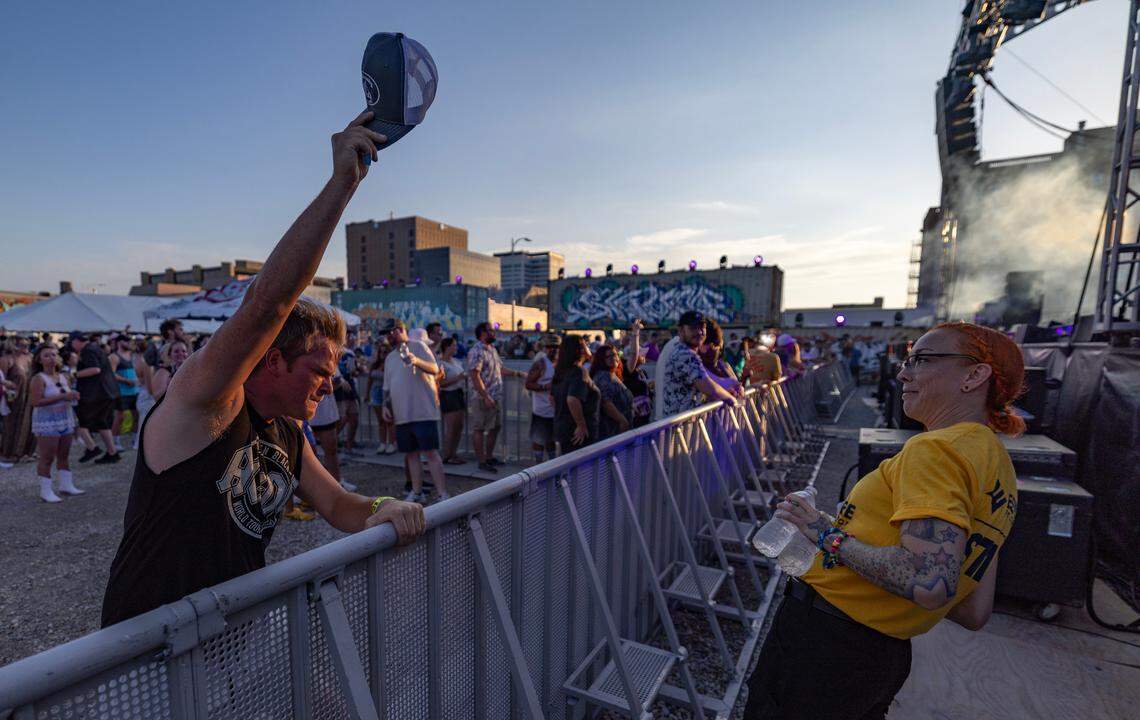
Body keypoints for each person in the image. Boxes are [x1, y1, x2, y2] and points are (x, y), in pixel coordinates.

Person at [101, 111, 424, 628]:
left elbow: (338, 504)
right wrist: (343, 184)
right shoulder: (208, 402)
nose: (330, 385)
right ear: (273, 360)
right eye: (319, 371)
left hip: (229, 634)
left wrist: (384, 505)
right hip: (148, 641)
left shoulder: (287, 432)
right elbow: (267, 304)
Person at [744, 322, 1024, 719]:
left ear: (975, 375)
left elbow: (928, 581)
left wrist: (826, 535)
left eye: (921, 360)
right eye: (907, 360)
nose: (903, 373)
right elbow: (972, 610)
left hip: (825, 649)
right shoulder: (997, 465)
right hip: (879, 655)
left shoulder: (936, 450)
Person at [380, 318, 450, 502]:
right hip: (402, 414)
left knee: (431, 453)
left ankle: (443, 494)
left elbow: (435, 369)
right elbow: (387, 387)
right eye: (386, 334)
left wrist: (416, 360)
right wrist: (385, 406)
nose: (388, 337)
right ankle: (417, 492)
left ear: (400, 330)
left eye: (390, 332)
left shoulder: (418, 346)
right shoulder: (389, 358)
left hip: (423, 412)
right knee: (411, 455)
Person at [655, 311, 739, 419]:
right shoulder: (685, 355)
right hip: (678, 424)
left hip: (681, 422)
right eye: (693, 328)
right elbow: (709, 387)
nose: (699, 332)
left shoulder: (685, 351)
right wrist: (732, 400)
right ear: (681, 330)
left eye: (702, 327)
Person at [466, 321, 525, 473]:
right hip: (482, 397)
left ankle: (489, 457)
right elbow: (474, 375)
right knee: (479, 428)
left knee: (495, 427)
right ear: (483, 333)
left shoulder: (492, 349)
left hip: (495, 396)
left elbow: (499, 369)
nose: (494, 333)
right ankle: (481, 461)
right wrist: (485, 396)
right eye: (491, 330)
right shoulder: (477, 351)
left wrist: (517, 373)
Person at [28, 344, 84, 502]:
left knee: (64, 455)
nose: (51, 358)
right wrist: (63, 397)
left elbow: (66, 395)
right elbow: (36, 402)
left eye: (54, 354)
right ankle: (45, 491)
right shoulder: (38, 378)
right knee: (47, 457)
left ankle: (66, 485)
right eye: (46, 355)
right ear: (39, 360)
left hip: (65, 418)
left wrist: (73, 396)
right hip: (47, 421)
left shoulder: (63, 376)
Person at [71, 331, 122, 464]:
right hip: (106, 392)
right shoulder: (95, 348)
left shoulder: (87, 350)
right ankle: (112, 452)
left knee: (82, 420)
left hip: (97, 393)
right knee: (101, 423)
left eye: (72, 342)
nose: (72, 346)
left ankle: (92, 448)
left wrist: (74, 375)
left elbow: (95, 369)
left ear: (76, 341)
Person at [552, 335, 599, 453]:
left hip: (564, 428)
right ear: (579, 350)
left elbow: (551, 398)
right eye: (584, 345)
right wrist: (581, 425)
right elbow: (572, 399)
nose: (587, 347)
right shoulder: (579, 372)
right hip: (579, 434)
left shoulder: (561, 371)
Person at [524, 334, 560, 463]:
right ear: (545, 348)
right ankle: (538, 467)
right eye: (550, 346)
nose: (553, 349)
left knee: (552, 440)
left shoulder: (561, 363)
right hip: (541, 410)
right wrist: (545, 386)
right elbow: (528, 384)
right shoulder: (540, 364)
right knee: (539, 440)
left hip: (555, 410)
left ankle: (552, 466)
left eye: (556, 346)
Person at [0, 336, 35, 461]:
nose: (26, 347)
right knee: (12, 424)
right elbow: (1, 379)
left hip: (29, 396)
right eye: (22, 345)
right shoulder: (6, 359)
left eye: (27, 345)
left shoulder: (30, 358)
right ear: (13, 345)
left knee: (28, 423)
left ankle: (25, 452)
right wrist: (8, 385)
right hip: (13, 397)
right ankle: (8, 453)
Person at [590, 344, 633, 440]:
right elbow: (606, 403)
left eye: (615, 354)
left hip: (620, 425)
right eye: (608, 356)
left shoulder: (612, 374)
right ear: (601, 360)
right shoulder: (603, 376)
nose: (613, 358)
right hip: (612, 429)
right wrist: (622, 421)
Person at [437, 336, 467, 465]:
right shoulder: (441, 363)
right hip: (449, 395)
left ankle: (453, 454)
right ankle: (447, 455)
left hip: (459, 393)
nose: (456, 347)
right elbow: (441, 383)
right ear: (447, 347)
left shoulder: (456, 361)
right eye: (454, 345)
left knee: (459, 427)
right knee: (451, 427)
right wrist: (458, 378)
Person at [109, 334, 140, 450]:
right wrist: (126, 381)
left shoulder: (132, 355)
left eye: (129, 341)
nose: (129, 343)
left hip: (135, 391)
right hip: (122, 392)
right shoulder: (114, 357)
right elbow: (111, 374)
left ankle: (135, 440)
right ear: (119, 342)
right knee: (120, 417)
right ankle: (115, 442)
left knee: (137, 416)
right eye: (126, 341)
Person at [366, 342, 396, 454]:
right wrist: (367, 394)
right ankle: (382, 443)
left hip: (387, 394)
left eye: (385, 351)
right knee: (381, 421)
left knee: (389, 420)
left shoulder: (391, 365)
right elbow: (369, 380)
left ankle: (392, 444)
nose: (383, 353)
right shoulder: (374, 365)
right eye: (381, 351)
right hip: (375, 394)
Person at [335, 332, 362, 455]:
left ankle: (349, 446)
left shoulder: (350, 353)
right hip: (338, 387)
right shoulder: (334, 350)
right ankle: (331, 442)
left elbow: (353, 371)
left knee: (354, 417)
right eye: (350, 337)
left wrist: (357, 370)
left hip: (350, 387)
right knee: (343, 418)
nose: (352, 339)